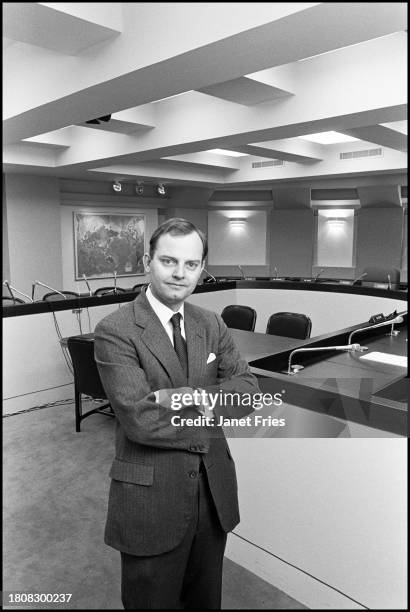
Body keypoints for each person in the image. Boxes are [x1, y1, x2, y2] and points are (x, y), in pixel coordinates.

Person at [94, 218, 260, 609]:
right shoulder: (115, 330)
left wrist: (183, 397)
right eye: (169, 261)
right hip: (151, 499)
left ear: (202, 268)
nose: (179, 274)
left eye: (191, 264)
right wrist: (215, 401)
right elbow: (141, 419)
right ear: (147, 260)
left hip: (212, 491)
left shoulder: (210, 322)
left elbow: (249, 391)